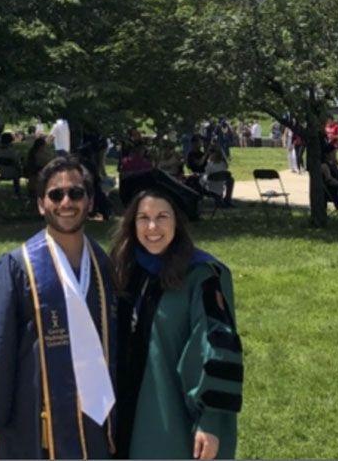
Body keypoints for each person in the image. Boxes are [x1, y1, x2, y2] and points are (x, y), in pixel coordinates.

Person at [0, 157, 116, 459]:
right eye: (55, 194)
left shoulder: (103, 266)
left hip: (97, 417)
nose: (66, 202)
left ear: (89, 202)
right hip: (36, 418)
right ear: (40, 204)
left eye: (76, 193)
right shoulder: (18, 267)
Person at [110, 171, 243, 460]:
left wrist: (210, 422)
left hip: (173, 420)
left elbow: (217, 349)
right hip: (125, 413)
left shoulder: (203, 276)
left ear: (178, 222)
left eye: (163, 216)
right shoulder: (126, 270)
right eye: (143, 218)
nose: (153, 226)